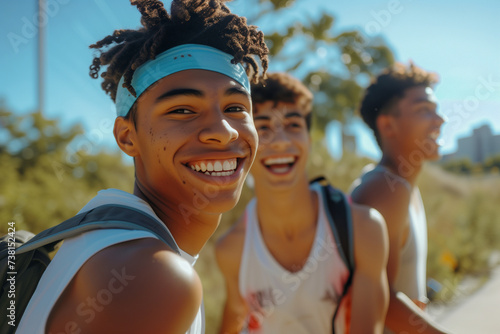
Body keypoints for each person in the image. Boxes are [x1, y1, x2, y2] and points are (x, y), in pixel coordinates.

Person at [17, 1, 268, 333]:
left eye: (236, 107)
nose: (224, 131)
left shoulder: (105, 237)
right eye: (182, 110)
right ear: (127, 136)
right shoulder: (154, 277)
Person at [215, 72, 389, 334]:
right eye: (263, 128)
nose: (281, 141)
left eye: (293, 125)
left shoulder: (363, 229)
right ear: (244, 142)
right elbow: (234, 319)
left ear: (309, 139)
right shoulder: (231, 250)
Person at [350, 62, 450, 334]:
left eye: (436, 110)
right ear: (388, 125)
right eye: (424, 110)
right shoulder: (385, 189)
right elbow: (379, 302)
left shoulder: (402, 186)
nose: (439, 120)